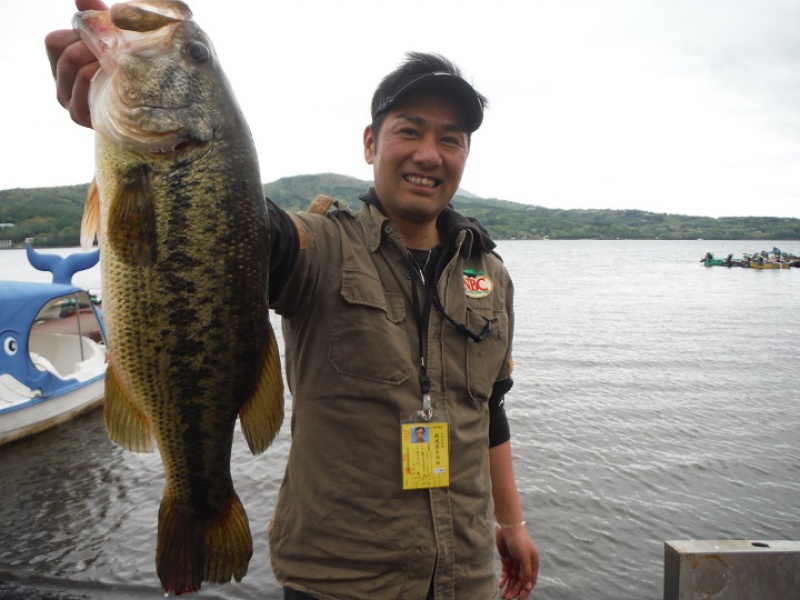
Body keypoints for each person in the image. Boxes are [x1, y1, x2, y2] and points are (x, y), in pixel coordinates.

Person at [46, 2, 540, 599]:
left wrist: (511, 524)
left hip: (466, 580)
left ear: (464, 155)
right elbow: (252, 234)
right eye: (409, 130)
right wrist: (137, 133)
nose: (429, 154)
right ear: (370, 144)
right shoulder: (323, 245)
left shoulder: (488, 273)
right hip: (339, 582)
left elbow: (491, 411)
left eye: (450, 139)